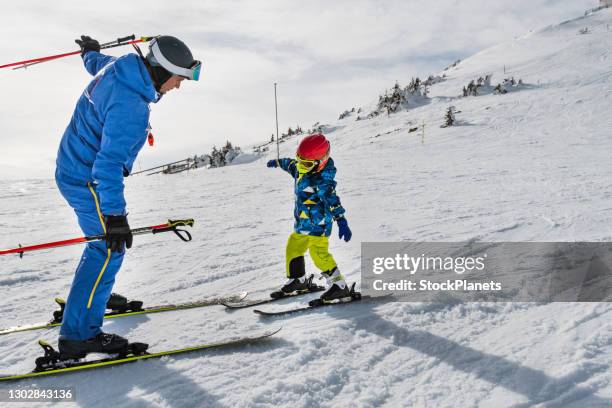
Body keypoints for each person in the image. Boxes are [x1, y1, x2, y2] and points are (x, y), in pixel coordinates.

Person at [54, 35, 201, 359]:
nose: (178, 87)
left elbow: (97, 63)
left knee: (104, 247)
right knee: (107, 247)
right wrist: (116, 216)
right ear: (162, 72)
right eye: (179, 79)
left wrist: (89, 53)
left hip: (72, 167)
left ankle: (96, 296)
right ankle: (79, 336)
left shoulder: (123, 68)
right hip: (85, 178)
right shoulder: (131, 108)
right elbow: (105, 167)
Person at [266, 134, 353, 301]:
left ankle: (339, 285)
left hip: (319, 225)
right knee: (293, 247)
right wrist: (278, 163)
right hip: (302, 224)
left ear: (321, 162)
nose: (301, 167)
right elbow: (290, 164)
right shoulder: (301, 168)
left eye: (305, 164)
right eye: (300, 161)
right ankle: (298, 280)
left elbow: (332, 200)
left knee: (318, 254)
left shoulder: (322, 181)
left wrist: (341, 220)